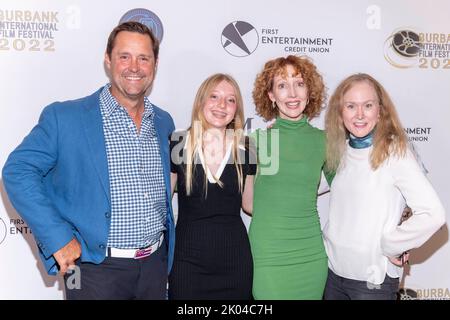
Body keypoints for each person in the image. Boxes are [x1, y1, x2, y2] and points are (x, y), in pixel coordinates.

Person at [2, 21, 175, 300]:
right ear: (108, 60)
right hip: (93, 270)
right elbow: (18, 171)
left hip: (154, 267)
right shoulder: (65, 118)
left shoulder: (163, 121)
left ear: (154, 65)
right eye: (124, 56)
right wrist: (58, 238)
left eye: (144, 58)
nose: (135, 66)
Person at [322, 73, 446, 300]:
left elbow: (433, 214)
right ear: (340, 113)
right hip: (333, 275)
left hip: (372, 282)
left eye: (367, 105)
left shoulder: (395, 151)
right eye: (351, 106)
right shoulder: (342, 150)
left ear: (380, 111)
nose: (359, 114)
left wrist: (393, 244)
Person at [168, 73, 255, 299]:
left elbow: (250, 204)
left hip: (235, 262)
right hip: (187, 261)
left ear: (237, 108)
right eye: (214, 96)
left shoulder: (247, 148)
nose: (221, 105)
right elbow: (162, 201)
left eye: (230, 99)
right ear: (201, 102)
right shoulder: (179, 143)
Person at [248, 55, 328, 299]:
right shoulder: (256, 142)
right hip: (268, 255)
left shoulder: (324, 141)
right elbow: (246, 202)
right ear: (271, 95)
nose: (292, 93)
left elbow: (352, 188)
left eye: (299, 83)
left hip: (310, 253)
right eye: (282, 85)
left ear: (309, 90)